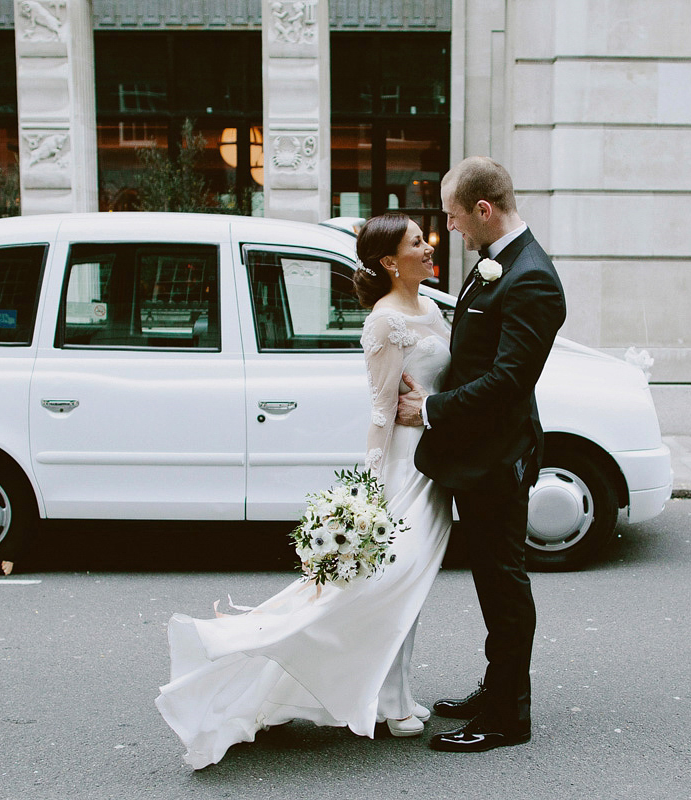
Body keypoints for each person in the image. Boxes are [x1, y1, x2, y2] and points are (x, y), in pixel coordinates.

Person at [155, 213, 452, 769]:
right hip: (403, 468)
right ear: (391, 261)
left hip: (435, 466)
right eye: (417, 242)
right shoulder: (383, 323)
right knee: (384, 582)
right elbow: (380, 409)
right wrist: (367, 491)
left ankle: (396, 694)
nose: (428, 247)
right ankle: (373, 696)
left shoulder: (431, 309)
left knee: (407, 586)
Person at [396, 156, 566, 753]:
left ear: (484, 210)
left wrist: (431, 410)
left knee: (503, 584)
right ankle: (496, 687)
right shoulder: (498, 264)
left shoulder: (531, 278)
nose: (452, 229)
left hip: (498, 458)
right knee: (493, 581)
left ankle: (507, 716)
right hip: (479, 455)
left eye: (454, 217)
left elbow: (508, 380)